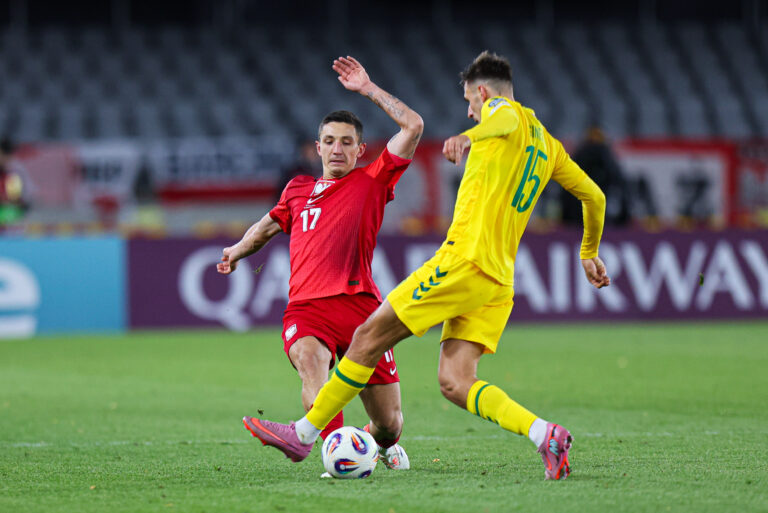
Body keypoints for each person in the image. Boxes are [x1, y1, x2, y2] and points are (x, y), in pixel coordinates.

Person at [246, 51, 611, 481]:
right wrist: (588, 250)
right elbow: (595, 197)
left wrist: (470, 135)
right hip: (498, 281)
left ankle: (303, 434)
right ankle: (544, 434)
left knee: (366, 336)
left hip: (463, 262)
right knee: (456, 382)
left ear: (481, 93)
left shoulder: (500, 114)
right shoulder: (549, 146)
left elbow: (504, 119)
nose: (469, 111)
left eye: (469, 103)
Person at [217, 56, 423, 471]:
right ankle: (336, 457)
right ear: (317, 147)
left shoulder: (372, 181)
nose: (337, 148)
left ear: (360, 149)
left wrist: (368, 89)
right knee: (313, 370)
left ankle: (374, 444)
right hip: (307, 309)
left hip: (363, 309)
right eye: (329, 140)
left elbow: (413, 127)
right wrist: (237, 250)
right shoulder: (297, 189)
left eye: (347, 142)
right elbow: (268, 226)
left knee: (388, 423)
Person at [561, 126, 630, 227]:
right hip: (601, 200)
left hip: (579, 206)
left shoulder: (581, 152)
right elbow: (617, 177)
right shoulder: (606, 153)